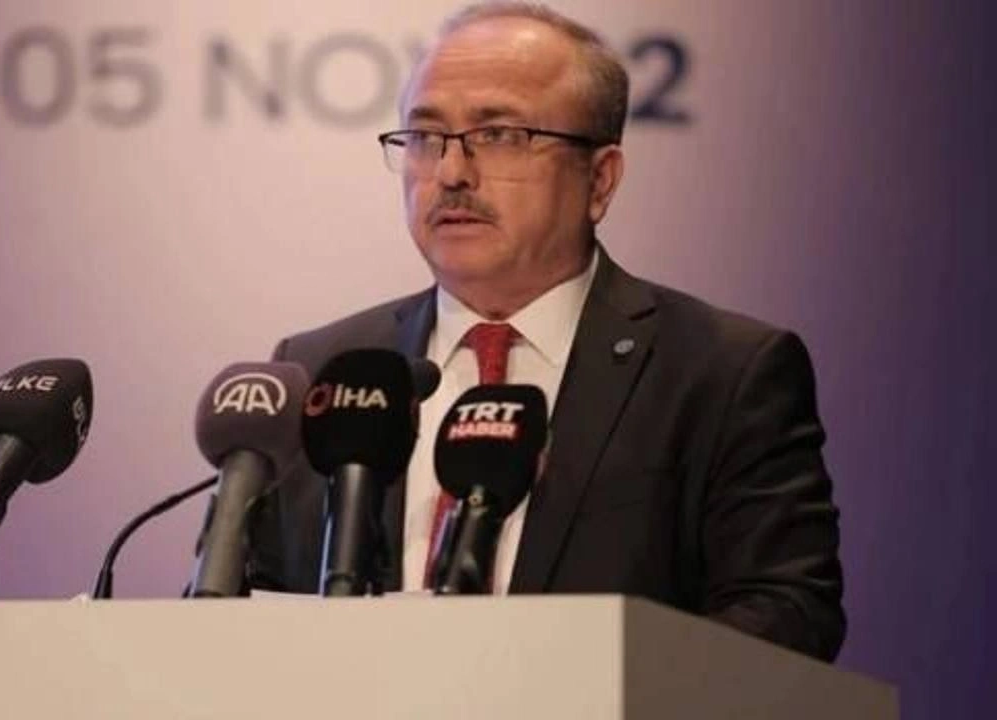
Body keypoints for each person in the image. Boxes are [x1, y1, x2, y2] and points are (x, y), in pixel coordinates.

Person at [250, 1, 845, 662]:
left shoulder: (722, 375)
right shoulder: (320, 372)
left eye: (500, 134)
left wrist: (577, 683)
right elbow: (245, 617)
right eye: (425, 136)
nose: (451, 172)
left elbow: (788, 615)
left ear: (600, 179)